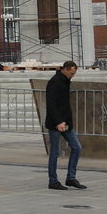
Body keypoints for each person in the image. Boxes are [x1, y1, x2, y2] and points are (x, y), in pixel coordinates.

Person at [44, 60, 85, 190]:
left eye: (74, 74)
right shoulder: (55, 82)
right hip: (56, 123)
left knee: (77, 147)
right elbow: (51, 104)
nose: (72, 76)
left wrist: (66, 121)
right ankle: (53, 181)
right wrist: (58, 122)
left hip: (66, 122)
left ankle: (71, 178)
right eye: (71, 73)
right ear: (65, 69)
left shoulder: (66, 81)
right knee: (55, 153)